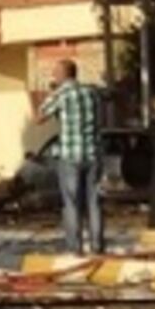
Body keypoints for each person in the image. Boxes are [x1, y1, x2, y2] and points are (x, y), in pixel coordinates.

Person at [38, 58, 105, 254]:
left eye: (55, 73)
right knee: (94, 202)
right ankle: (97, 245)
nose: (53, 76)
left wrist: (51, 97)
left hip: (70, 155)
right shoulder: (92, 92)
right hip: (93, 153)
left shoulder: (61, 94)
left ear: (63, 74)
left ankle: (75, 247)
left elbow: (39, 117)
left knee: (72, 203)